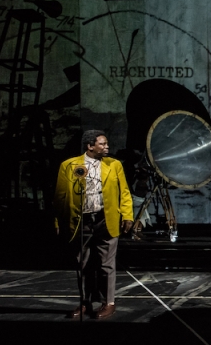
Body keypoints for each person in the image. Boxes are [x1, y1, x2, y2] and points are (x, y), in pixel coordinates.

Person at [54, 130, 134, 320]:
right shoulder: (69, 165)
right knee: (82, 264)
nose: (107, 147)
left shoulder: (114, 165)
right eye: (102, 144)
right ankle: (85, 302)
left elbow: (124, 191)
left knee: (107, 264)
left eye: (106, 144)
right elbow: (60, 196)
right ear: (90, 146)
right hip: (81, 220)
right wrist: (58, 221)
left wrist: (127, 216)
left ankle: (109, 303)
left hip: (105, 219)